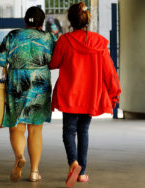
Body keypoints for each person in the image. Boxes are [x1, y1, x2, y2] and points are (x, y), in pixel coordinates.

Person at [49, 2, 121, 187]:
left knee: (68, 131)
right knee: (83, 131)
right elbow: (109, 71)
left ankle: (73, 162)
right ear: (87, 20)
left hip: (70, 95)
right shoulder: (99, 42)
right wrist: (114, 93)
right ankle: (82, 172)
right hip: (90, 96)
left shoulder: (64, 41)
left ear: (71, 21)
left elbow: (54, 63)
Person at [0, 7, 55, 182]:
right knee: (35, 129)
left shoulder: (12, 36)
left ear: (25, 20)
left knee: (17, 127)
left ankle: (19, 157)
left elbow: (2, 60)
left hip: (16, 81)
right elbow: (54, 60)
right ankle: (35, 171)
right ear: (42, 22)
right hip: (40, 82)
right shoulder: (48, 38)